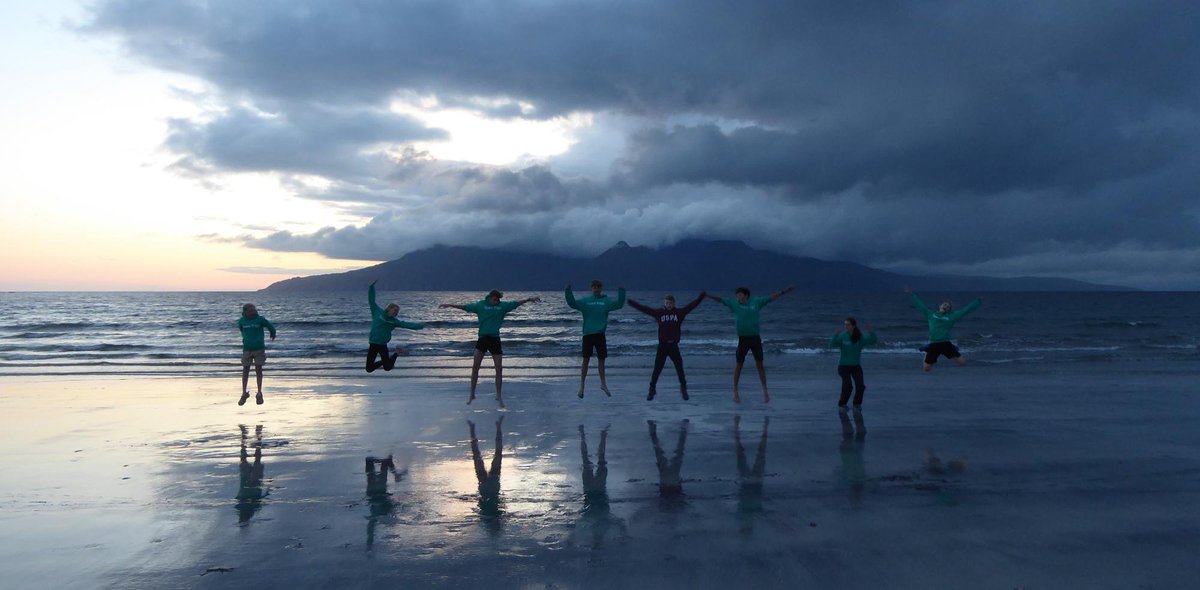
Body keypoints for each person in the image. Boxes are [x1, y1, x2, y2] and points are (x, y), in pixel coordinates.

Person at [440, 290, 540, 407]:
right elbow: (465, 307)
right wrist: (450, 305)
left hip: (495, 339)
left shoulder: (502, 306)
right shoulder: (480, 305)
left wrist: (528, 299)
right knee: (475, 366)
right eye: (495, 299)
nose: (496, 301)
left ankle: (498, 394)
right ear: (490, 297)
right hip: (482, 339)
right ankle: (472, 393)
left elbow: (516, 303)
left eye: (498, 300)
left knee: (499, 367)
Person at [707, 286, 794, 403]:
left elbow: (771, 298)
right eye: (737, 296)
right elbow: (721, 300)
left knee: (760, 365)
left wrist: (784, 291)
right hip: (743, 340)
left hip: (755, 339)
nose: (738, 297)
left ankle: (765, 392)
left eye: (740, 295)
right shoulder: (734, 304)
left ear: (746, 295)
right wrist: (708, 295)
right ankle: (735, 392)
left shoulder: (756, 302)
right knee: (739, 365)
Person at [627, 291, 705, 400]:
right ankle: (652, 390)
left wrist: (701, 297)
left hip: (673, 346)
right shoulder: (659, 313)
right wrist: (631, 303)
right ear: (664, 303)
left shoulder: (679, 313)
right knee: (657, 369)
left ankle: (684, 389)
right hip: (662, 346)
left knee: (680, 369)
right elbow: (645, 309)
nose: (669, 305)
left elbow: (691, 306)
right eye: (667, 303)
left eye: (670, 303)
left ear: (674, 303)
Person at [565, 280, 626, 399]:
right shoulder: (585, 301)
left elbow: (619, 304)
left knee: (601, 360)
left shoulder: (606, 301)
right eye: (594, 287)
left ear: (601, 288)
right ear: (591, 288)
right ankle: (582, 386)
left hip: (600, 335)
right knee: (585, 360)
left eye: (599, 287)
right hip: (588, 334)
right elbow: (572, 303)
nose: (596, 289)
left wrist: (621, 291)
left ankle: (603, 384)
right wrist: (568, 291)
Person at [906, 286, 982, 372]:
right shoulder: (931, 314)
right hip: (934, 344)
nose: (946, 306)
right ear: (940, 306)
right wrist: (912, 294)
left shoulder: (951, 317)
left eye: (948, 306)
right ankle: (927, 351)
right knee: (926, 369)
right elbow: (920, 305)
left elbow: (965, 310)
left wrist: (977, 301)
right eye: (944, 304)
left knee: (962, 363)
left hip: (945, 343)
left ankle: (949, 349)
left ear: (949, 310)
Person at [366, 280, 424, 373]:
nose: (396, 312)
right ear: (389, 308)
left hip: (382, 345)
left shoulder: (394, 322)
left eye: (397, 312)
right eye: (394, 310)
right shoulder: (377, 312)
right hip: (373, 344)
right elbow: (371, 301)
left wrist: (420, 326)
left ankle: (396, 353)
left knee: (387, 368)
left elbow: (407, 325)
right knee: (369, 369)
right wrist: (371, 287)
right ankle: (386, 360)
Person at [829, 317, 878, 408]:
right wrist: (835, 335)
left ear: (853, 326)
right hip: (843, 366)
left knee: (860, 386)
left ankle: (856, 404)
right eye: (845, 324)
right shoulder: (843, 336)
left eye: (848, 325)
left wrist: (871, 332)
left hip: (856, 366)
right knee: (848, 386)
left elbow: (873, 341)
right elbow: (831, 345)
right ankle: (842, 404)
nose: (846, 326)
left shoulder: (860, 337)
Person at [237, 303, 276, 406]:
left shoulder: (260, 319)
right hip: (247, 349)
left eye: (254, 310)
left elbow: (270, 327)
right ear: (245, 312)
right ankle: (244, 393)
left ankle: (259, 393)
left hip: (259, 349)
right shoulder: (242, 321)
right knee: (246, 369)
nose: (253, 312)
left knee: (258, 369)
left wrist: (273, 333)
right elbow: (241, 330)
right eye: (250, 310)